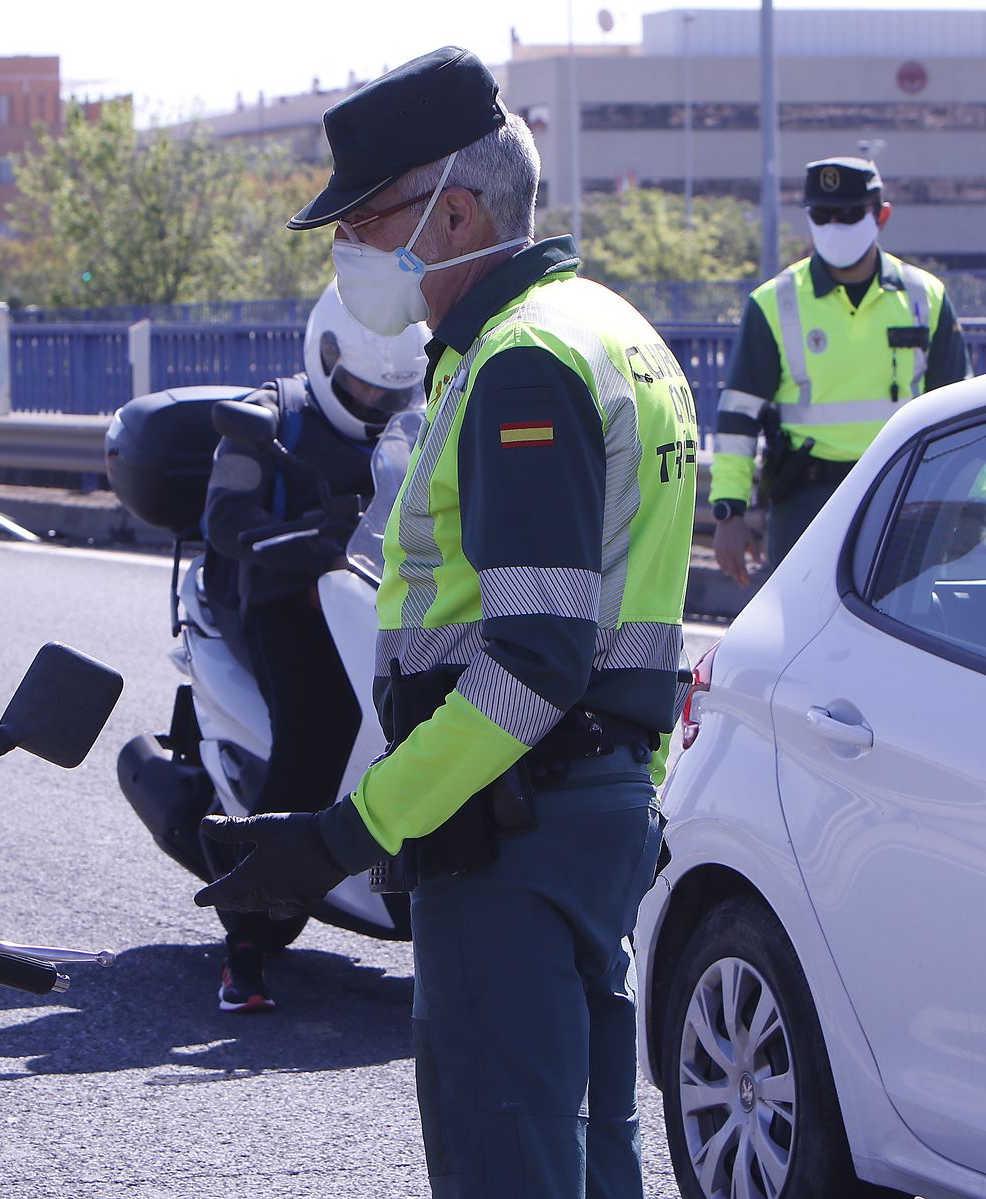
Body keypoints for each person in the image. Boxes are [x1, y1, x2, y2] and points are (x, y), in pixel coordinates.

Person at [195, 46, 696, 1198]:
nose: (351, 253)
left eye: (366, 222)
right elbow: (635, 630)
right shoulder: (612, 331)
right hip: (587, 811)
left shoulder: (521, 366)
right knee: (584, 1155)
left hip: (511, 835)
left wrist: (343, 836)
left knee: (506, 1163)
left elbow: (530, 661)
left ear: (456, 211)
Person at [200, 279, 426, 1012]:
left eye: (388, 393)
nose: (371, 403)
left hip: (378, 598)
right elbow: (226, 519)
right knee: (317, 733)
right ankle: (245, 944)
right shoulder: (269, 416)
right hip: (279, 601)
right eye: (359, 386)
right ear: (324, 356)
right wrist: (309, 545)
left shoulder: (420, 422)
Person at [711, 155, 970, 586]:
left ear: (881, 215)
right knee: (799, 638)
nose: (834, 226)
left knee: (901, 633)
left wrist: (963, 503)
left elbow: (958, 413)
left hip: (904, 496)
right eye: (822, 215)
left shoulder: (926, 297)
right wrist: (729, 511)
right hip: (807, 500)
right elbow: (738, 416)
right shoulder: (773, 303)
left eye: (849, 214)